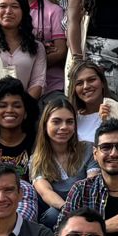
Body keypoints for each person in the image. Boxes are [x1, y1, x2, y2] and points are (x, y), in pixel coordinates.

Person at [10, 0, 69, 94]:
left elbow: (60, 52)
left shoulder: (54, 11)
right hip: (14, 89)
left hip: (51, 87)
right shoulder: (4, 12)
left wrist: (22, 65)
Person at [30, 93, 92, 222]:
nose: (64, 127)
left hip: (88, 209)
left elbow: (92, 186)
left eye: (69, 122)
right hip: (59, 215)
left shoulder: (88, 149)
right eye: (56, 121)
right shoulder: (37, 159)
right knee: (53, 214)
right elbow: (45, 192)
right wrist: (70, 212)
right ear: (45, 124)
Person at [0, 77, 40, 171]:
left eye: (17, 106)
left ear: (26, 113)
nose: (10, 110)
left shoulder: (38, 140)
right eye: (3, 106)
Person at [67, 60, 112, 144]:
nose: (86, 86)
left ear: (102, 82)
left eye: (91, 80)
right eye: (79, 83)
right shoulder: (71, 118)